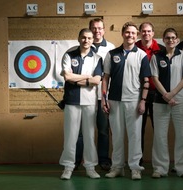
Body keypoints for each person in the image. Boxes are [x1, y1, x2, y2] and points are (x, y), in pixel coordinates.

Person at [101, 22, 151, 180]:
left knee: (135, 135)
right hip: (114, 101)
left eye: (133, 33)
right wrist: (104, 99)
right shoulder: (111, 53)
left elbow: (146, 80)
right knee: (116, 135)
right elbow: (105, 78)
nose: (130, 35)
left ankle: (135, 168)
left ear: (137, 35)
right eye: (128, 32)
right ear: (122, 34)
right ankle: (117, 167)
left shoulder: (141, 55)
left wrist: (143, 101)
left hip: (134, 100)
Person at [59, 28, 103, 180]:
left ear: (93, 40)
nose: (86, 41)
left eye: (90, 38)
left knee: (89, 136)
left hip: (90, 102)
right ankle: (68, 167)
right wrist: (86, 77)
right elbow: (67, 76)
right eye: (84, 37)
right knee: (70, 136)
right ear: (78, 38)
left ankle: (90, 167)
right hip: (71, 100)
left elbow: (96, 80)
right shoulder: (69, 55)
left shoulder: (97, 58)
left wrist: (76, 79)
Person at [150, 28, 183, 178]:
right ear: (163, 39)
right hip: (160, 101)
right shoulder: (156, 57)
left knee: (182, 135)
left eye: (173, 38)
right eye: (167, 38)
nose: (170, 40)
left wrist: (173, 94)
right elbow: (154, 78)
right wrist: (166, 96)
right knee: (160, 136)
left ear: (177, 40)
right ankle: (160, 168)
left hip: (179, 101)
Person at [75, 18, 115, 171]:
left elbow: (109, 74)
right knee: (81, 132)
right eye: (94, 28)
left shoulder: (110, 48)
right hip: (85, 96)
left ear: (104, 30)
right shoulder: (82, 47)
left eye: (99, 28)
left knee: (103, 130)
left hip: (102, 98)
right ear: (90, 30)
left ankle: (103, 159)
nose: (97, 31)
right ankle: (77, 160)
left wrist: (106, 97)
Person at [135, 22, 164, 165]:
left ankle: (158, 162)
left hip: (157, 94)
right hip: (138, 94)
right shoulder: (133, 48)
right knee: (138, 129)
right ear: (140, 33)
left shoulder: (162, 50)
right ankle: (138, 161)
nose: (146, 34)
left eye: (149, 31)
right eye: (143, 31)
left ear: (153, 33)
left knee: (158, 128)